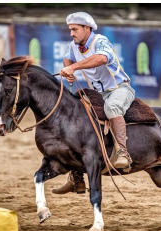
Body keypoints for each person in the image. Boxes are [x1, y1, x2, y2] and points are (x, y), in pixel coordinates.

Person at [53, 12, 136, 194]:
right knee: (75, 118)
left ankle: (122, 152)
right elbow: (68, 58)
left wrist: (73, 67)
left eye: (75, 29)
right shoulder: (74, 45)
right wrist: (68, 69)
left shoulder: (100, 41)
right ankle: (76, 178)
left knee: (112, 107)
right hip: (97, 94)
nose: (71, 33)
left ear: (87, 28)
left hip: (119, 89)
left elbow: (102, 58)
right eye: (70, 30)